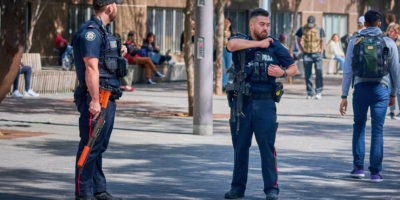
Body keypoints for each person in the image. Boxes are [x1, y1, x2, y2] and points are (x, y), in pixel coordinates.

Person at [225, 8, 298, 200]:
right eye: (261, 24)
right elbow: (231, 45)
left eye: (267, 25)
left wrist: (282, 73)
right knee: (240, 147)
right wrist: (259, 43)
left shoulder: (275, 46)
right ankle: (237, 188)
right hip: (242, 104)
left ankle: (271, 189)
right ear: (251, 25)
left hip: (265, 104)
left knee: (267, 148)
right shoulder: (241, 41)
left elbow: (293, 67)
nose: (265, 28)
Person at [72, 0, 126, 199]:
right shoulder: (91, 32)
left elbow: (102, 61)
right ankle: (83, 193)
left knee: (98, 145)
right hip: (98, 97)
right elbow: (91, 67)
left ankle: (98, 190)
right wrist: (94, 100)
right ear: (110, 7)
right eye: (116, 3)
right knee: (90, 146)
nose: (117, 7)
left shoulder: (104, 31)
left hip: (108, 95)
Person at [340, 10, 399, 182]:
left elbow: (347, 70)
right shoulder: (388, 42)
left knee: (358, 126)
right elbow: (396, 71)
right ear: (380, 24)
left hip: (360, 88)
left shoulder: (355, 41)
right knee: (377, 130)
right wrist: (393, 93)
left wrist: (344, 95)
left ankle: (358, 168)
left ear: (364, 24)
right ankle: (375, 172)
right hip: (381, 89)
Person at [296, 15, 326, 99]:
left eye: (312, 23)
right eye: (309, 23)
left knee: (319, 72)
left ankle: (319, 92)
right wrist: (301, 50)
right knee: (308, 74)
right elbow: (298, 39)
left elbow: (322, 39)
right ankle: (309, 92)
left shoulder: (319, 28)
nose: (310, 25)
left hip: (317, 53)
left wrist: (322, 50)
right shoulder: (302, 28)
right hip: (307, 54)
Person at [386, 23, 400, 119]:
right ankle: (392, 111)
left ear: (397, 33)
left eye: (392, 32)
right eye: (389, 31)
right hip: (389, 67)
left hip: (398, 67)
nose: (389, 33)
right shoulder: (387, 41)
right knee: (390, 89)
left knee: (398, 90)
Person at [223, 17, 234, 88]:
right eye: (225, 22)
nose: (226, 24)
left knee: (228, 67)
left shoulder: (232, 33)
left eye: (227, 22)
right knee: (223, 67)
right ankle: (223, 84)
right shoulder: (220, 32)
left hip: (229, 51)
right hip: (222, 50)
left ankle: (226, 83)